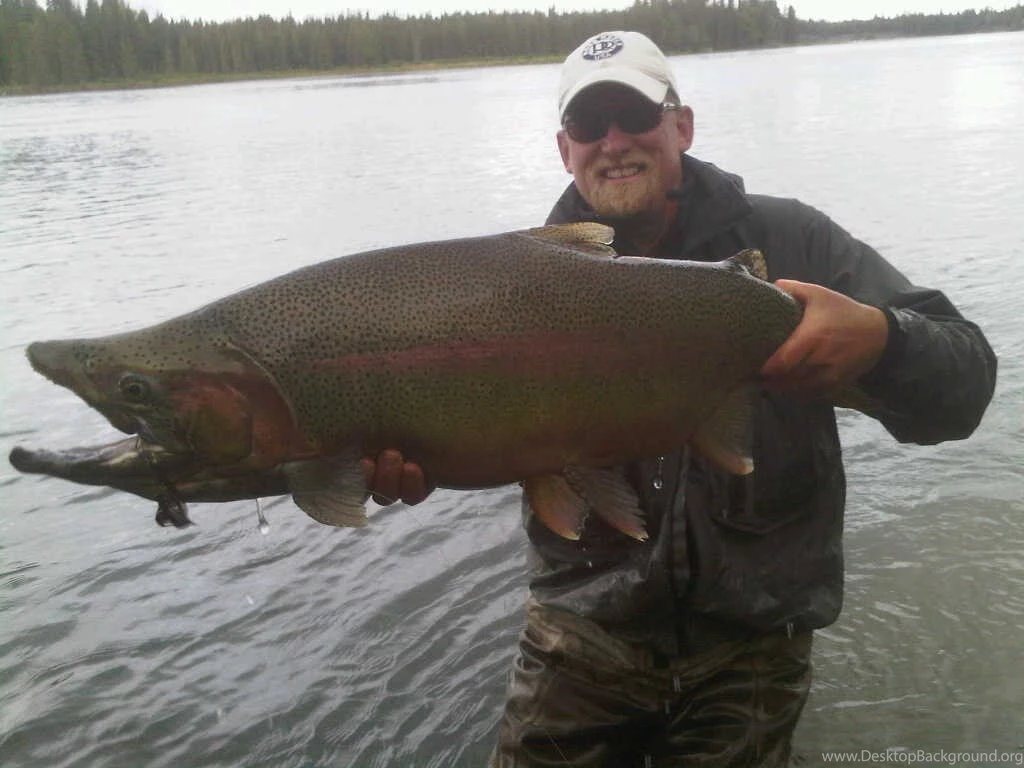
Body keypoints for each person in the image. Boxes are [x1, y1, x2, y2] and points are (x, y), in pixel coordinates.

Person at [362, 30, 997, 767]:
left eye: (634, 116)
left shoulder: (792, 241)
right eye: (587, 125)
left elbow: (966, 385)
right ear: (564, 149)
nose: (613, 141)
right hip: (580, 636)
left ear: (682, 125)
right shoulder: (515, 284)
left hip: (754, 645)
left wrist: (887, 339)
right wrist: (402, 449)